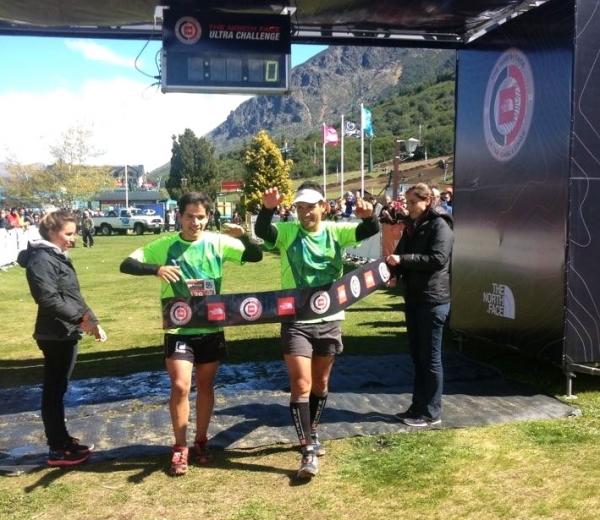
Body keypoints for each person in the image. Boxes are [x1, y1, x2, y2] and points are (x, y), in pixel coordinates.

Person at [119, 192, 262, 476]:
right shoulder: (165, 244)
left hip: (210, 327)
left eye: (200, 217)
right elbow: (127, 264)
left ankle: (201, 441)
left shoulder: (218, 242)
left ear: (207, 217)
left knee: (206, 387)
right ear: (179, 216)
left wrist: (244, 236)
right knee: (182, 386)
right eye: (189, 216)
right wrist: (156, 269)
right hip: (178, 327)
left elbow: (255, 256)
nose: (194, 222)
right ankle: (180, 447)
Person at [255, 181, 379, 479]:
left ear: (323, 207)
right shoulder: (287, 232)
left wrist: (368, 215)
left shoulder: (335, 231)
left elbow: (370, 230)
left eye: (310, 207)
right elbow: (263, 232)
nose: (304, 213)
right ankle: (308, 448)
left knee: (320, 384)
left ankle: (311, 429)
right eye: (299, 207)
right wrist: (266, 209)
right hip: (296, 321)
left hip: (330, 319)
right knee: (301, 384)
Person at [17, 210, 104, 466]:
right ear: (51, 232)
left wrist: (92, 321)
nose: (73, 238)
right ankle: (57, 448)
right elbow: (48, 299)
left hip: (64, 332)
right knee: (54, 391)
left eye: (74, 233)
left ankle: (62, 440)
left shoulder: (56, 257)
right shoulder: (42, 260)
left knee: (58, 389)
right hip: (54, 334)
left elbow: (73, 295)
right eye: (68, 233)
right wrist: (81, 320)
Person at [385, 183, 454, 428]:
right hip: (414, 298)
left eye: (413, 202)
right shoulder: (413, 226)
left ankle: (432, 412)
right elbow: (401, 254)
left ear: (427, 201)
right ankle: (418, 406)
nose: (409, 206)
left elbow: (437, 259)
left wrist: (403, 260)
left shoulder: (440, 225)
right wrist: (394, 270)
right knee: (417, 356)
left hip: (433, 300)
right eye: (407, 202)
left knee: (431, 358)